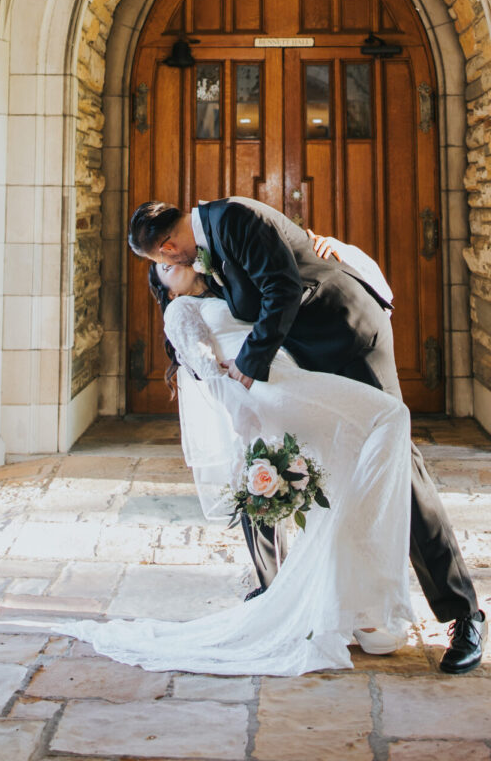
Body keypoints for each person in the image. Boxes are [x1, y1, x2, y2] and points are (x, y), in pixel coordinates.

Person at [127, 195, 486, 675]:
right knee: (312, 472)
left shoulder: (233, 217)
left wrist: (249, 370)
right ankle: (329, 597)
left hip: (346, 338)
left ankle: (464, 615)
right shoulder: (208, 248)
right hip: (304, 360)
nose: (166, 268)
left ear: (168, 248)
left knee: (398, 459)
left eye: (158, 262)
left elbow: (282, 289)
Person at [62, 254, 415, 675]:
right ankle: (346, 604)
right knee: (388, 417)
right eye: (161, 266)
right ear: (166, 289)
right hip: (264, 390)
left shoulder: (230, 287)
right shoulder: (181, 309)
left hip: (289, 374)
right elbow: (207, 370)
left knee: (343, 477)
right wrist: (245, 418)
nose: (170, 261)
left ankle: (350, 607)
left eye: (171, 256)